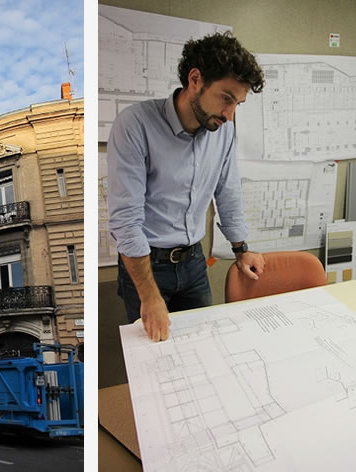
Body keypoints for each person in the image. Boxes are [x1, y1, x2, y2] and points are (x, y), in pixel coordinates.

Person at [108, 31, 267, 342]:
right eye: (225, 98)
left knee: (203, 347)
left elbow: (227, 190)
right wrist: (149, 296)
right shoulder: (134, 124)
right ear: (195, 79)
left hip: (194, 263)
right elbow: (126, 221)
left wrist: (241, 250)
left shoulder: (223, 130)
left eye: (237, 103)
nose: (229, 114)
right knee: (157, 357)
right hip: (146, 265)